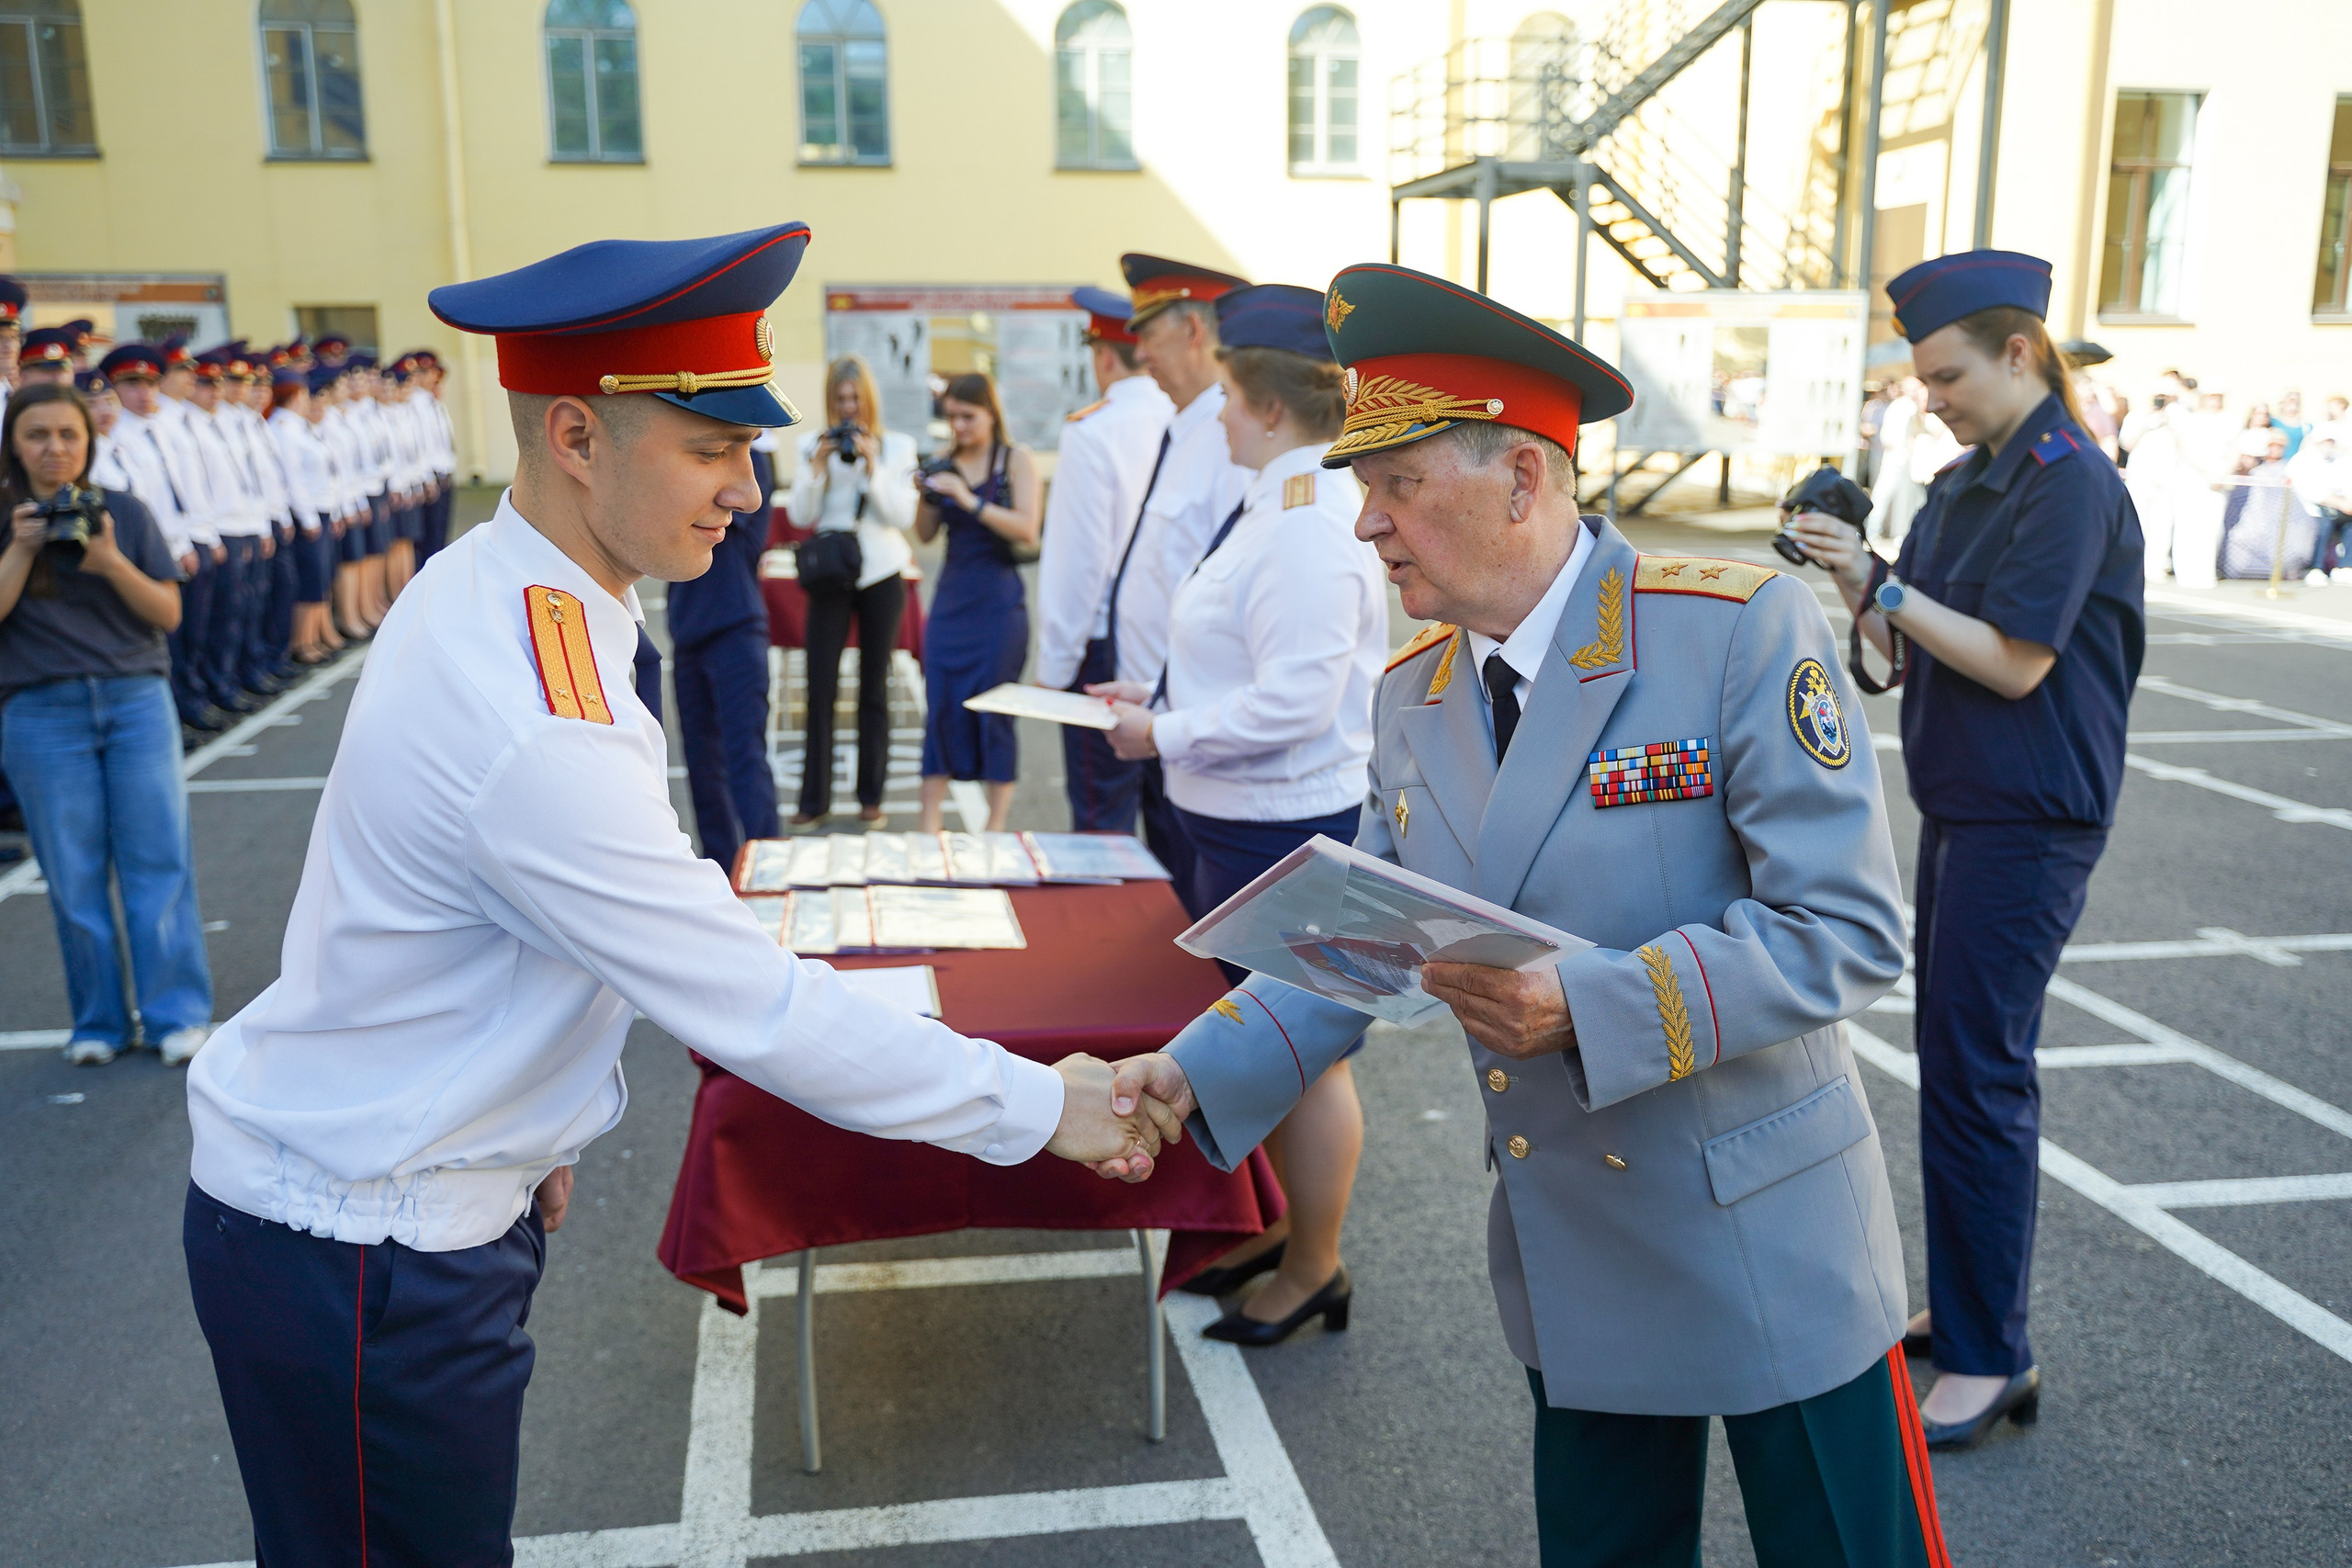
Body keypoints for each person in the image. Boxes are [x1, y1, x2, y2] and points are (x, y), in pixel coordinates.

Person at [180, 223, 1172, 1565]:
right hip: (370, 1237)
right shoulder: (537, 705)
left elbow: (496, 920)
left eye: (750, 449)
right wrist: (1047, 1102)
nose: (747, 489)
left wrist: (534, 1126)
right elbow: (752, 1005)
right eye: (710, 449)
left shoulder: (512, 585)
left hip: (406, 1196)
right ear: (579, 435)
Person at [1101, 261, 1942, 1564]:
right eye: (1364, 487)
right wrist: (1185, 1070)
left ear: (1523, 479)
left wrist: (1590, 1003)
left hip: (1771, 1228)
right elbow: (1363, 936)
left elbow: (1846, 925)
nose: (1369, 524)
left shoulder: (1730, 630)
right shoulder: (1416, 694)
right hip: (1581, 1243)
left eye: (1397, 484)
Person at [1792, 249, 2144, 1449]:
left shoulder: (2067, 482)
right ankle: (1975, 1307)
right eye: (1921, 376)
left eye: (1946, 373)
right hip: (1971, 800)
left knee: (1980, 1069)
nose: (1930, 394)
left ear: (2018, 353)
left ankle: (1995, 1355)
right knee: (1957, 1061)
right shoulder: (1965, 480)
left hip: (2031, 811)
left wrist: (1881, 587)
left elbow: (2011, 657)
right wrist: (1855, 582)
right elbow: (1892, 663)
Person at [1091, 283, 1385, 1344]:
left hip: (1280, 827)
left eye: (1223, 394)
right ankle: (1285, 1233)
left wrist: (1162, 734)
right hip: (1242, 823)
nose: (1211, 415)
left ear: (1265, 407)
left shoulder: (1305, 524)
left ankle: (1314, 1265)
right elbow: (1241, 665)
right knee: (1265, 1048)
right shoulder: (1275, 500)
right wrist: (1158, 704)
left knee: (1302, 1057)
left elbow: (1300, 700)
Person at [0, 383, 213, 1067]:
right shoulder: (5, 519)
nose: (55, 448)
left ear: (89, 441)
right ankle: (97, 1020)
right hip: (39, 710)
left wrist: (112, 559)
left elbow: (168, 614)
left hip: (134, 700)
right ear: (14, 444)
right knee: (73, 872)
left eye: (68, 433)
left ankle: (175, 1012)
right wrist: (21, 549)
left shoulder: (124, 511)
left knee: (159, 859)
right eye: (37, 434)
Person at [1102, 254, 1252, 896]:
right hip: (1158, 712)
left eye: (1150, 335)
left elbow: (1234, 594)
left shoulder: (1232, 437)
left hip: (1197, 731)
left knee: (1200, 913)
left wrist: (1173, 711)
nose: (1139, 356)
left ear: (1195, 330)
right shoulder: (1186, 426)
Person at [1032, 286, 1173, 833]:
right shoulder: (1190, 418)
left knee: (1101, 817)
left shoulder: (1093, 430)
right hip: (1173, 637)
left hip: (1104, 650)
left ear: (1104, 355)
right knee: (1171, 812)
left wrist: (1054, 666)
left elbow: (1078, 563)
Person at [786, 354, 917, 825]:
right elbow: (801, 516)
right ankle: (813, 801)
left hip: (881, 570)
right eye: (840, 400)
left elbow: (901, 517)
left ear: (869, 400)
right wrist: (816, 469)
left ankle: (871, 797)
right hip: (833, 573)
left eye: (855, 399)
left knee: (874, 686)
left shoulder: (898, 447)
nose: (848, 409)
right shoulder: (810, 445)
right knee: (820, 686)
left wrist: (873, 467)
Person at [913, 370, 1040, 833]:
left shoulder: (1014, 460)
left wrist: (968, 500)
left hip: (998, 604)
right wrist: (926, 495)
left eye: (968, 417)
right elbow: (924, 535)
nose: (959, 427)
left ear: (991, 413)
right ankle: (929, 825)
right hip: (951, 601)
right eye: (951, 418)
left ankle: (995, 827)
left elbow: (1027, 528)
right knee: (941, 704)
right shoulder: (943, 462)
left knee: (995, 710)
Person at [669, 412, 780, 872]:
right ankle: (719, 877)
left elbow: (736, 514)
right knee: (702, 767)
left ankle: (770, 872)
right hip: (688, 627)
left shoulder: (756, 466)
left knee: (744, 760)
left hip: (736, 624)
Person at [268, 371, 339, 662]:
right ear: (296, 396)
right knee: (309, 579)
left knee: (319, 577)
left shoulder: (299, 427)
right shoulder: (284, 428)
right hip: (305, 515)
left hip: (319, 509)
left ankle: (311, 638)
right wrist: (309, 519)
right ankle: (302, 642)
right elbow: (293, 479)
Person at [2291, 425, 2352, 583]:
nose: (2329, 444)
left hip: (2338, 506)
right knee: (2324, 524)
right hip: (2309, 508)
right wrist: (2335, 501)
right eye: (2326, 440)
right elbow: (2306, 489)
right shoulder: (2302, 459)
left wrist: (2346, 502)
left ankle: (2345, 566)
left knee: (2349, 523)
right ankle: (2315, 567)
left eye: (2331, 441)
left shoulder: (2341, 460)